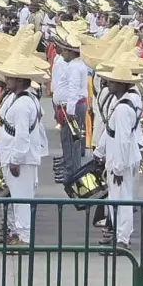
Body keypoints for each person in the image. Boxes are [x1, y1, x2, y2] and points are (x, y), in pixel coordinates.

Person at [0, 54, 50, 247]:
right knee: (16, 198)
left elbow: (22, 136)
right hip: (11, 155)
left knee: (22, 199)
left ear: (19, 80)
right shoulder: (15, 99)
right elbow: (6, 128)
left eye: (10, 78)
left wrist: (16, 159)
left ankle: (24, 238)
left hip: (21, 160)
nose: (7, 80)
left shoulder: (24, 103)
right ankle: (17, 232)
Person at [94, 60, 143, 250]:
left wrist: (119, 167)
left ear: (122, 84)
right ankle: (119, 236)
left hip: (121, 159)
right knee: (116, 199)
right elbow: (111, 132)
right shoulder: (121, 103)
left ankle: (122, 239)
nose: (108, 83)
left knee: (122, 200)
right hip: (118, 156)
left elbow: (122, 139)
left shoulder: (123, 108)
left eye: (113, 81)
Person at [51, 29, 89, 183]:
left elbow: (73, 89)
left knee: (72, 142)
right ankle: (69, 168)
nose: (63, 53)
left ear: (72, 52)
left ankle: (72, 173)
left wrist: (70, 110)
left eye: (65, 50)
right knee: (67, 140)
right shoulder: (74, 64)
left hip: (72, 107)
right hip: (68, 106)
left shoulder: (74, 66)